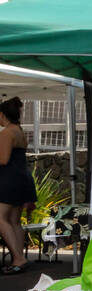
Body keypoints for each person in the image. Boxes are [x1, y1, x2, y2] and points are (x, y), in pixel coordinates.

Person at [0, 97, 37, 275]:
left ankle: (17, 257)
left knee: (1, 218)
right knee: (14, 220)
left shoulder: (7, 132)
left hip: (8, 179)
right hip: (21, 178)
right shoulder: (20, 131)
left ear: (2, 115)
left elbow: (3, 159)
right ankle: (19, 258)